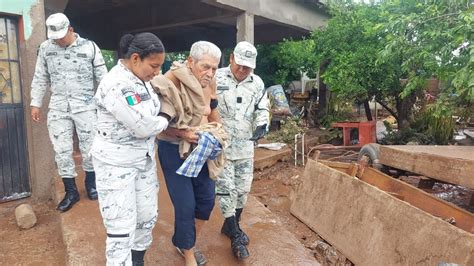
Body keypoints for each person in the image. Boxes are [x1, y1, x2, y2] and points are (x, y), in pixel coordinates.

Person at [90, 32, 169, 266]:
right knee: (120, 229)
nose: (157, 72)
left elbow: (151, 109)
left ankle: (137, 261)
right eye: (154, 66)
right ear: (135, 59)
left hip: (143, 160)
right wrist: (166, 117)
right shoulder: (115, 83)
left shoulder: (142, 80)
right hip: (116, 164)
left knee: (146, 217)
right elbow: (142, 125)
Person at [151, 41, 222, 266]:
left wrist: (220, 133)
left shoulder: (210, 83)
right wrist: (181, 133)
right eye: (205, 66)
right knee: (185, 204)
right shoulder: (170, 82)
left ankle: (184, 241)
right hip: (173, 149)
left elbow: (212, 112)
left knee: (206, 201)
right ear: (190, 62)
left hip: (202, 148)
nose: (210, 73)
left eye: (214, 68)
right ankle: (189, 251)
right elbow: (155, 124)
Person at [30, 13, 108, 212]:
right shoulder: (46, 49)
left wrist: (107, 104)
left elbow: (103, 78)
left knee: (90, 147)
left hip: (86, 106)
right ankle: (71, 191)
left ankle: (91, 184)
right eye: (55, 37)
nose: (58, 40)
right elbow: (40, 77)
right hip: (58, 106)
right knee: (62, 150)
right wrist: (35, 103)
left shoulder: (89, 47)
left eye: (61, 36)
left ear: (71, 30)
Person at [215, 41, 270, 260]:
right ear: (231, 58)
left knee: (242, 190)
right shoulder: (216, 77)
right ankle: (235, 235)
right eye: (239, 65)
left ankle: (231, 225)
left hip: (246, 145)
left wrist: (262, 125)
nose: (242, 70)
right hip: (222, 146)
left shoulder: (257, 83)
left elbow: (262, 107)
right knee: (226, 189)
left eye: (247, 67)